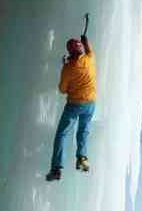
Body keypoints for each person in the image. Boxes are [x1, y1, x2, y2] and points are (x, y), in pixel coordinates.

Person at [46, 30, 97, 181]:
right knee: (83, 131)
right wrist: (85, 40)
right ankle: (82, 158)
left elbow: (62, 89)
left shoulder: (68, 68)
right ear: (81, 49)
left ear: (71, 53)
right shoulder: (90, 59)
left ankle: (56, 168)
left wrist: (65, 65)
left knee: (62, 134)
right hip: (91, 104)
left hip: (75, 104)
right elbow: (89, 50)